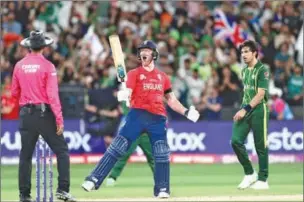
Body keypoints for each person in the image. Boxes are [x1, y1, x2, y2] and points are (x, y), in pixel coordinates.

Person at [81, 40, 200, 198]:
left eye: (147, 50)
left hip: (157, 118)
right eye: (141, 50)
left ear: (154, 54)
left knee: (161, 153)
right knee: (117, 147)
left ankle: (162, 189)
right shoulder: (133, 74)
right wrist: (125, 94)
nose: (144, 53)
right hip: (137, 115)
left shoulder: (163, 77)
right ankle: (93, 179)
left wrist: (186, 111)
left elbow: (171, 99)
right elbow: (128, 91)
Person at [11, 30, 76, 202]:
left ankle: (24, 195)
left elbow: (13, 92)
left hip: (26, 114)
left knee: (25, 155)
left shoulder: (19, 66)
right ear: (44, 47)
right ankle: (63, 190)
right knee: (62, 151)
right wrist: (59, 119)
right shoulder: (48, 66)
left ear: (29, 47)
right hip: (43, 114)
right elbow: (53, 96)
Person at [231, 40, 270, 190]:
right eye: (242, 52)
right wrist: (242, 108)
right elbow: (247, 92)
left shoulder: (262, 70)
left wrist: (245, 109)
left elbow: (260, 94)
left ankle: (263, 179)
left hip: (259, 110)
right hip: (245, 109)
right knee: (235, 141)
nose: (244, 55)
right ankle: (249, 173)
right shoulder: (244, 70)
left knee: (261, 146)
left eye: (247, 51)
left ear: (255, 53)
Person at [106, 101, 154, 186]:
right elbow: (125, 111)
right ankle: (112, 177)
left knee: (153, 157)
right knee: (123, 155)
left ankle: (160, 179)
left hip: (145, 133)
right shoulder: (128, 99)